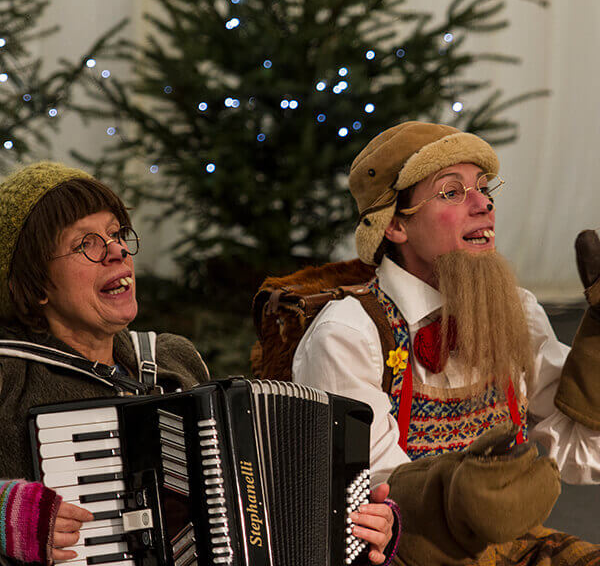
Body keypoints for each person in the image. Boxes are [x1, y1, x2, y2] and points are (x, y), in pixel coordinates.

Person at [0, 162, 396, 565]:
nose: (117, 251)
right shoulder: (10, 374)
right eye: (87, 243)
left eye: (117, 234)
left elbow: (249, 504)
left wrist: (354, 526)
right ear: (34, 286)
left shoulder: (171, 360)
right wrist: (1, 518)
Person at [292, 121, 600, 565]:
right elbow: (375, 493)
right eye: (452, 192)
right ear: (395, 224)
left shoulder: (516, 308)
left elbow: (576, 450)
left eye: (483, 187)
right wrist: (457, 493)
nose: (484, 203)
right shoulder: (349, 334)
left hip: (504, 545)